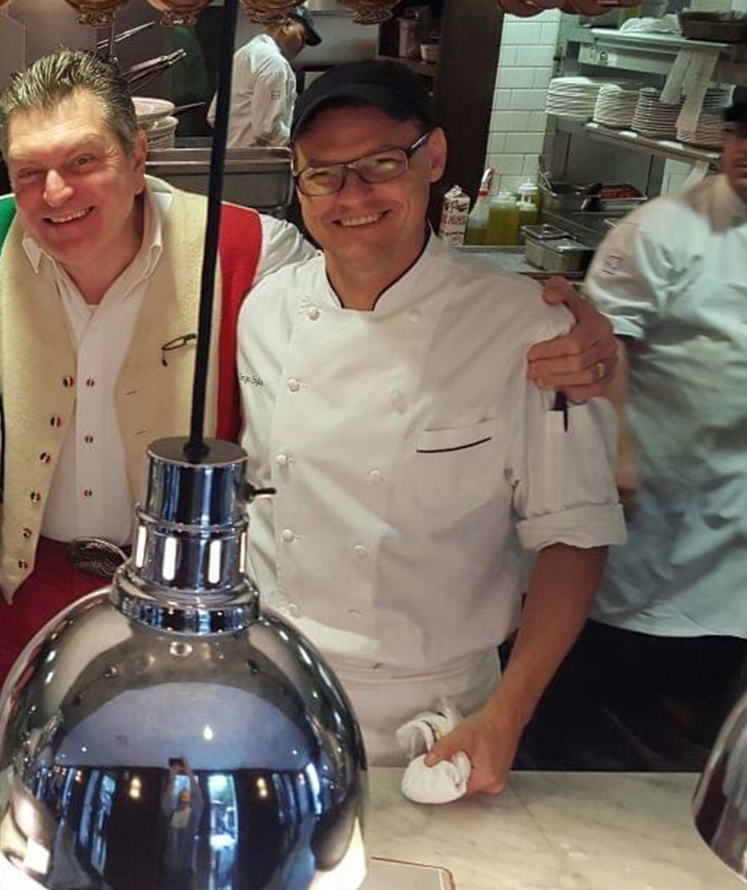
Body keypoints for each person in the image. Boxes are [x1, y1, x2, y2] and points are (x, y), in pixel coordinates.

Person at [0, 51, 622, 714]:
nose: (56, 195)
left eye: (84, 162)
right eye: (31, 172)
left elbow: (374, 281)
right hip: (18, 592)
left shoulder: (250, 251)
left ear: (138, 158)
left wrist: (576, 335)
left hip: (185, 606)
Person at [236, 60, 626, 792]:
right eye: (323, 174)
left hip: (440, 717)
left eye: (382, 163)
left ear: (434, 156)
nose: (353, 195)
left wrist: (508, 716)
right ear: (298, 180)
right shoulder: (265, 313)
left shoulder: (527, 329)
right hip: (274, 694)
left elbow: (576, 533)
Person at [524, 80, 747, 770]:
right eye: (740, 132)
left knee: (709, 671)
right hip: (644, 481)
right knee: (598, 661)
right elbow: (607, 342)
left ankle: (667, 789)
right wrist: (620, 453)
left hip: (733, 490)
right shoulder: (663, 229)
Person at [207, 7, 320, 148]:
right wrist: (302, 145)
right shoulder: (274, 63)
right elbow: (267, 130)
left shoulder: (244, 54)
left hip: (229, 155)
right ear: (287, 25)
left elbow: (214, 116)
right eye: (302, 37)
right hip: (258, 158)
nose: (302, 46)